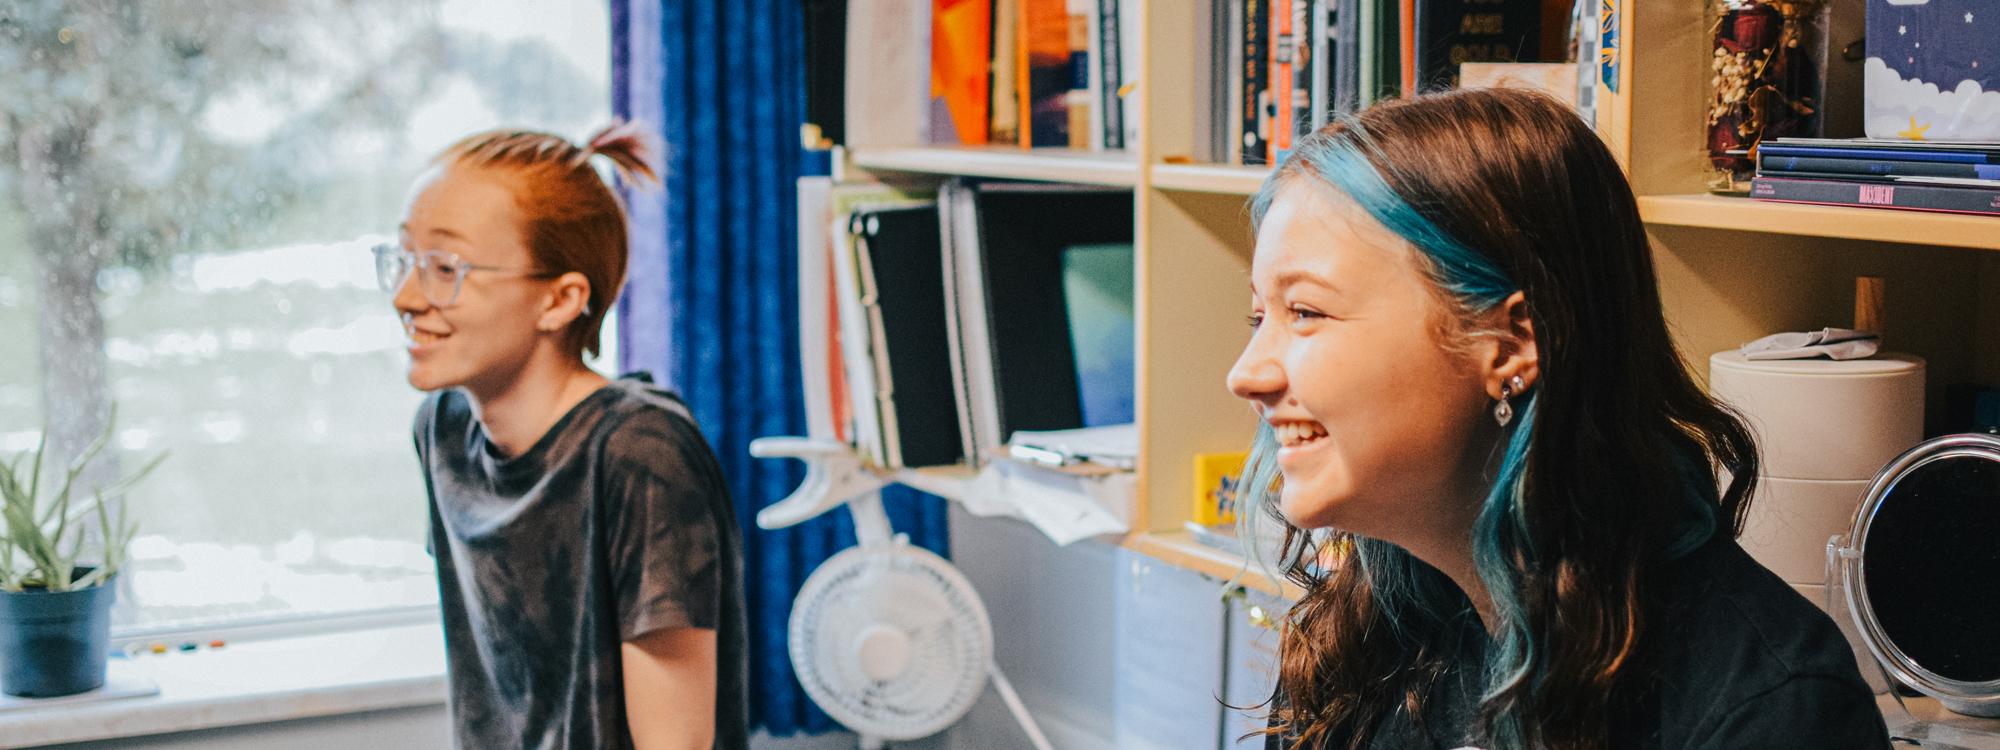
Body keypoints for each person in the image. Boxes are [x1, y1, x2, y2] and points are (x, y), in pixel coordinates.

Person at [1226, 88, 1888, 750]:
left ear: (1514, 342)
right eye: (1260, 317)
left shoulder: (1774, 711)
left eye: (1305, 312)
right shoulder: (1360, 649)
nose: (1247, 375)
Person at [380, 124, 748, 750]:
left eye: (445, 268)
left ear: (560, 300)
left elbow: (677, 744)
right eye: (404, 259)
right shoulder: (443, 429)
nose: (405, 296)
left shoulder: (640, 455)